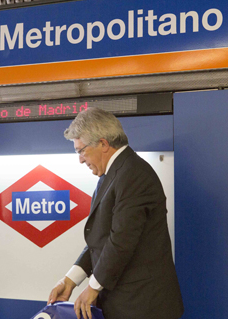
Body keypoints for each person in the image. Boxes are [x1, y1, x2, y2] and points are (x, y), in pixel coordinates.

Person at [47, 108, 183, 319]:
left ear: (103, 143)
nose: (80, 160)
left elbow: (121, 240)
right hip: (126, 305)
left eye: (81, 150)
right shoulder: (112, 174)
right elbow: (102, 239)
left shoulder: (133, 174)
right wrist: (70, 280)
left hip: (144, 307)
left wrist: (92, 287)